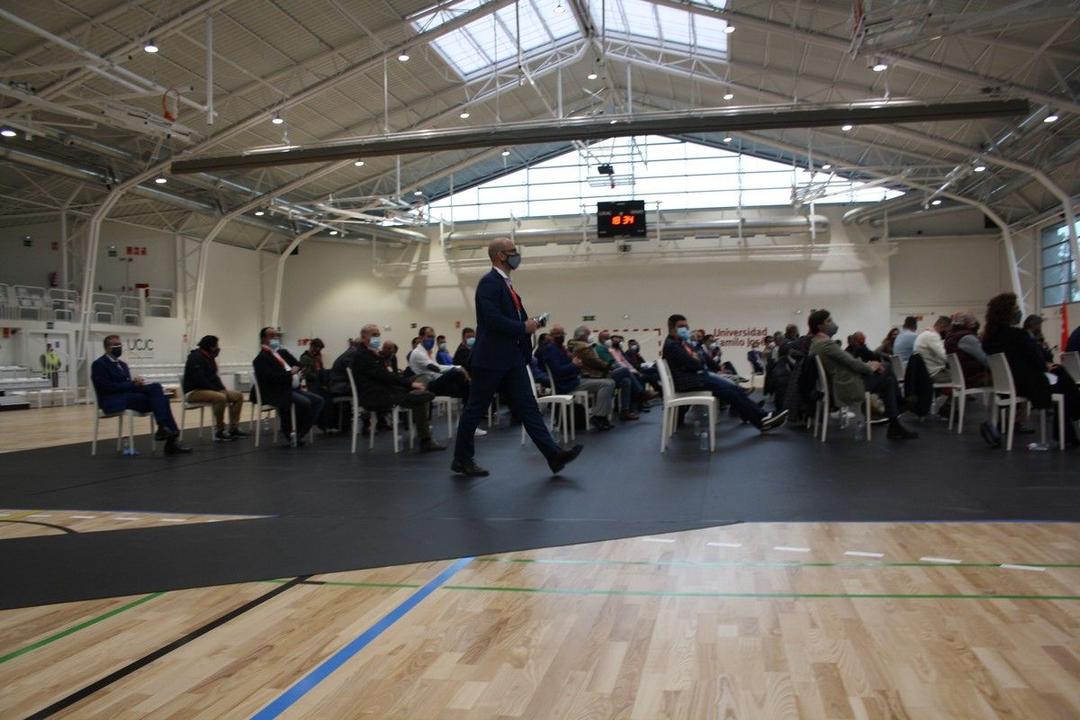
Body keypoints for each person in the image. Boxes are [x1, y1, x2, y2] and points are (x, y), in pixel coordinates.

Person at [451, 239, 583, 476]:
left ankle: (553, 455)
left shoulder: (507, 285)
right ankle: (462, 459)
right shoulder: (489, 283)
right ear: (500, 255)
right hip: (491, 359)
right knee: (475, 409)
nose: (517, 255)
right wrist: (523, 327)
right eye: (513, 252)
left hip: (511, 359)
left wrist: (532, 323)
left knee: (528, 407)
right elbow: (492, 320)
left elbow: (513, 319)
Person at [662, 314, 788, 433]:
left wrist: (697, 358)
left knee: (732, 387)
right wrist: (696, 358)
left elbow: (701, 358)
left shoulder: (682, 344)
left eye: (686, 326)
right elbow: (695, 364)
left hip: (696, 378)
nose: (685, 329)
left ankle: (756, 416)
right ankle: (761, 419)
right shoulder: (672, 346)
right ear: (671, 328)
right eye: (681, 326)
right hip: (690, 382)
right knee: (729, 389)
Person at [983, 293, 1079, 447]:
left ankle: (1073, 419)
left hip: (1008, 384)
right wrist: (1046, 365)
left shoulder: (989, 338)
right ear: (1008, 312)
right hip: (1028, 384)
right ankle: (1071, 421)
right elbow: (1038, 362)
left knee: (1061, 376)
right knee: (1061, 377)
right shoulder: (1018, 335)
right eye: (1016, 308)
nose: (1018, 312)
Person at [808, 310, 917, 439]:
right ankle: (900, 406)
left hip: (839, 385)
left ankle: (895, 423)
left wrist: (870, 365)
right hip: (847, 387)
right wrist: (872, 367)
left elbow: (848, 362)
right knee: (887, 367)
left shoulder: (815, 343)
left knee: (888, 381)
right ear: (820, 326)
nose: (833, 323)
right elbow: (852, 362)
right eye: (829, 321)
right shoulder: (826, 344)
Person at [92, 335, 192, 454]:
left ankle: (163, 428)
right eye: (115, 345)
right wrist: (132, 384)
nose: (119, 347)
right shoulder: (99, 364)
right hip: (112, 400)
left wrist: (136, 383)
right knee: (161, 400)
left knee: (157, 389)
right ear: (107, 348)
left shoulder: (123, 365)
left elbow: (126, 384)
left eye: (120, 344)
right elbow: (107, 387)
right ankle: (170, 438)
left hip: (128, 396)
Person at [351, 324, 444, 451]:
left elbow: (389, 374)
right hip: (375, 395)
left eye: (378, 335)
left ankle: (417, 393)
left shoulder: (373, 354)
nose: (377, 338)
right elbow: (384, 376)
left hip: (387, 389)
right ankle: (426, 440)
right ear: (363, 338)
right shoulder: (362, 356)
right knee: (420, 399)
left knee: (422, 377)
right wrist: (409, 384)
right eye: (374, 335)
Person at [252, 327, 325, 446]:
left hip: (290, 387)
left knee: (319, 401)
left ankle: (299, 433)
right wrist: (289, 373)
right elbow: (270, 379)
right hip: (276, 391)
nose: (275, 338)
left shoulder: (282, 353)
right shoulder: (260, 359)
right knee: (305, 402)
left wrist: (297, 370)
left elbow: (298, 364)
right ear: (264, 339)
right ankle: (292, 433)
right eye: (272, 336)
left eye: (276, 336)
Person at [543, 325, 618, 430]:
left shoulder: (560, 348)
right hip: (566, 384)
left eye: (562, 334)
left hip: (573, 380)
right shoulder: (551, 350)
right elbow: (558, 371)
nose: (561, 336)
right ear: (551, 336)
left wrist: (577, 366)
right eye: (558, 334)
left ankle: (601, 416)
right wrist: (574, 365)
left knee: (607, 382)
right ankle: (598, 416)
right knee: (608, 384)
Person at [182, 335, 247, 441]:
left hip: (208, 389)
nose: (218, 348)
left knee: (238, 396)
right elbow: (199, 380)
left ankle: (234, 428)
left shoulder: (209, 358)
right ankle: (219, 430)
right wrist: (217, 390)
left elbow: (214, 377)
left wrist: (223, 388)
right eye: (216, 346)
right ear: (210, 347)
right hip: (194, 391)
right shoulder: (195, 358)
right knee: (220, 397)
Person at [573, 326, 640, 420]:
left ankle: (625, 411)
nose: (591, 335)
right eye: (589, 334)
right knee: (624, 370)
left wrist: (610, 367)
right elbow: (596, 362)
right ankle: (640, 393)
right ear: (582, 335)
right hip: (595, 375)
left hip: (599, 373)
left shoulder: (587, 346)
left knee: (626, 381)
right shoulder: (584, 347)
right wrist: (610, 367)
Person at [944, 312, 989, 387]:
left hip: (962, 377)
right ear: (969, 324)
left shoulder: (950, 337)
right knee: (1005, 375)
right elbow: (986, 360)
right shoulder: (967, 338)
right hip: (973, 378)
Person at [913, 316, 952, 383]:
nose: (948, 333)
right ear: (942, 326)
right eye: (948, 330)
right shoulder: (933, 336)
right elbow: (945, 357)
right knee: (962, 377)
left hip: (925, 372)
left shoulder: (925, 334)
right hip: (934, 374)